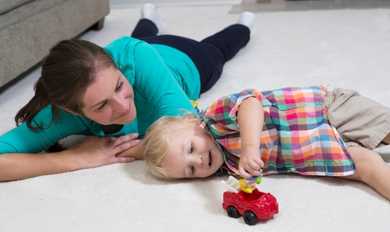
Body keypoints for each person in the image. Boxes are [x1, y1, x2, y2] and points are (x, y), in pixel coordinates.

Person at [0, 3, 255, 181]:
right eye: (102, 106)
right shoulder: (62, 112)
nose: (122, 107)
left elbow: (186, 133)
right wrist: (75, 158)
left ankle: (244, 23)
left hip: (186, 61)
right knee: (141, 40)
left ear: (116, 66)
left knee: (219, 48)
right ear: (72, 110)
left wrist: (127, 148)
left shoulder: (132, 56)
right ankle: (149, 20)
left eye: (120, 86)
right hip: (140, 53)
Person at [142, 86, 390, 200]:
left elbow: (250, 104)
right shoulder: (228, 166)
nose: (198, 160)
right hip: (322, 150)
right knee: (368, 168)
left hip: (325, 109)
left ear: (192, 122)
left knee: (384, 127)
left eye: (191, 148)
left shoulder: (215, 118)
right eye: (190, 171)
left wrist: (250, 147)